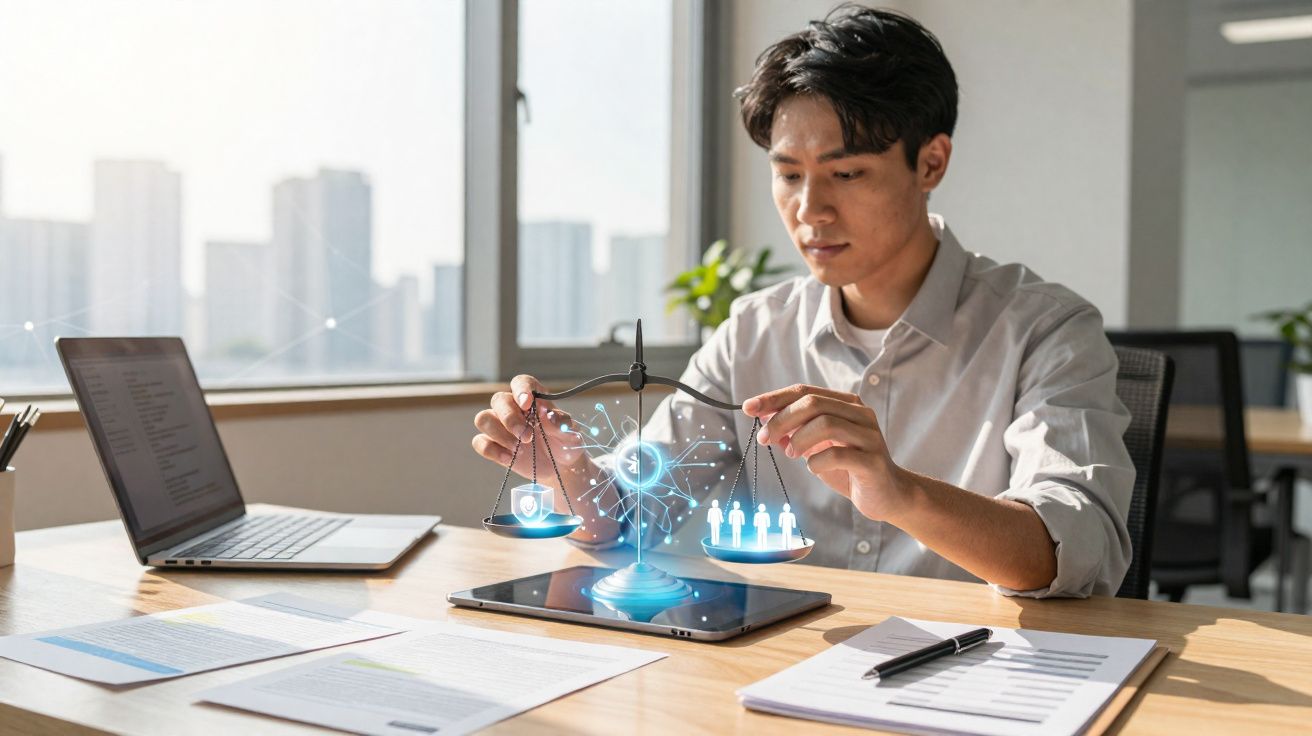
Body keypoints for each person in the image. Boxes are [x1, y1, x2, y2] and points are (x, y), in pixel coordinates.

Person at [472, 5, 1133, 598]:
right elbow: (630, 516)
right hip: (784, 668)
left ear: (931, 163)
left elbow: (1073, 550)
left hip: (972, 674)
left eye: (846, 174)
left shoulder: (1045, 329)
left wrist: (900, 494)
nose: (810, 210)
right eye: (788, 175)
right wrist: (569, 472)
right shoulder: (756, 332)